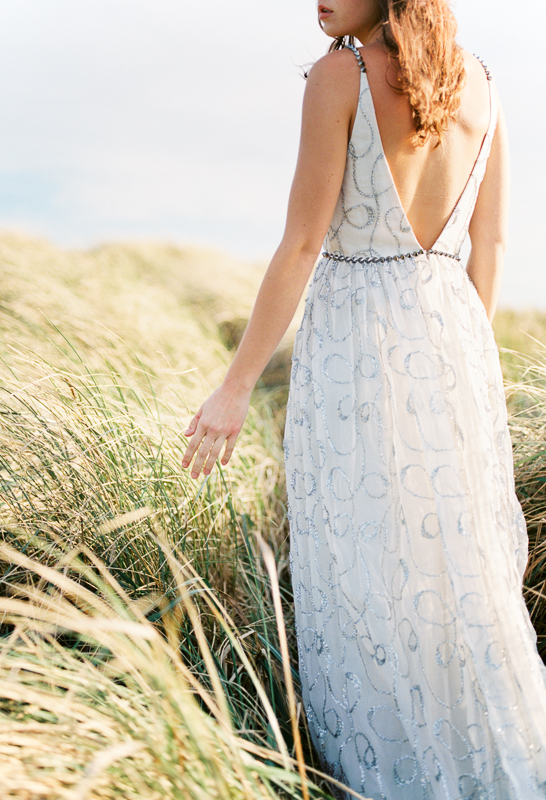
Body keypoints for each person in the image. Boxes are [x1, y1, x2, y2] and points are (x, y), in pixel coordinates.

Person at [181, 0, 546, 796]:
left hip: (356, 350)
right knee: (458, 578)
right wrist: (453, 374)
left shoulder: (336, 77)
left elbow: (304, 242)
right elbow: (492, 245)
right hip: (454, 344)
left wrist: (235, 386)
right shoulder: (482, 84)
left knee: (366, 574)